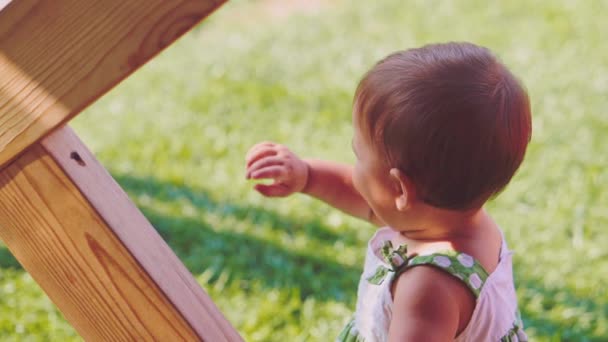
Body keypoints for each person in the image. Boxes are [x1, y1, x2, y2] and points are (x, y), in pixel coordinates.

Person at [245, 42, 531, 341]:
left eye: (358, 156)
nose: (354, 172)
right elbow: (372, 203)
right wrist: (308, 176)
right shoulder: (460, 221)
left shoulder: (429, 286)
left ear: (400, 190)